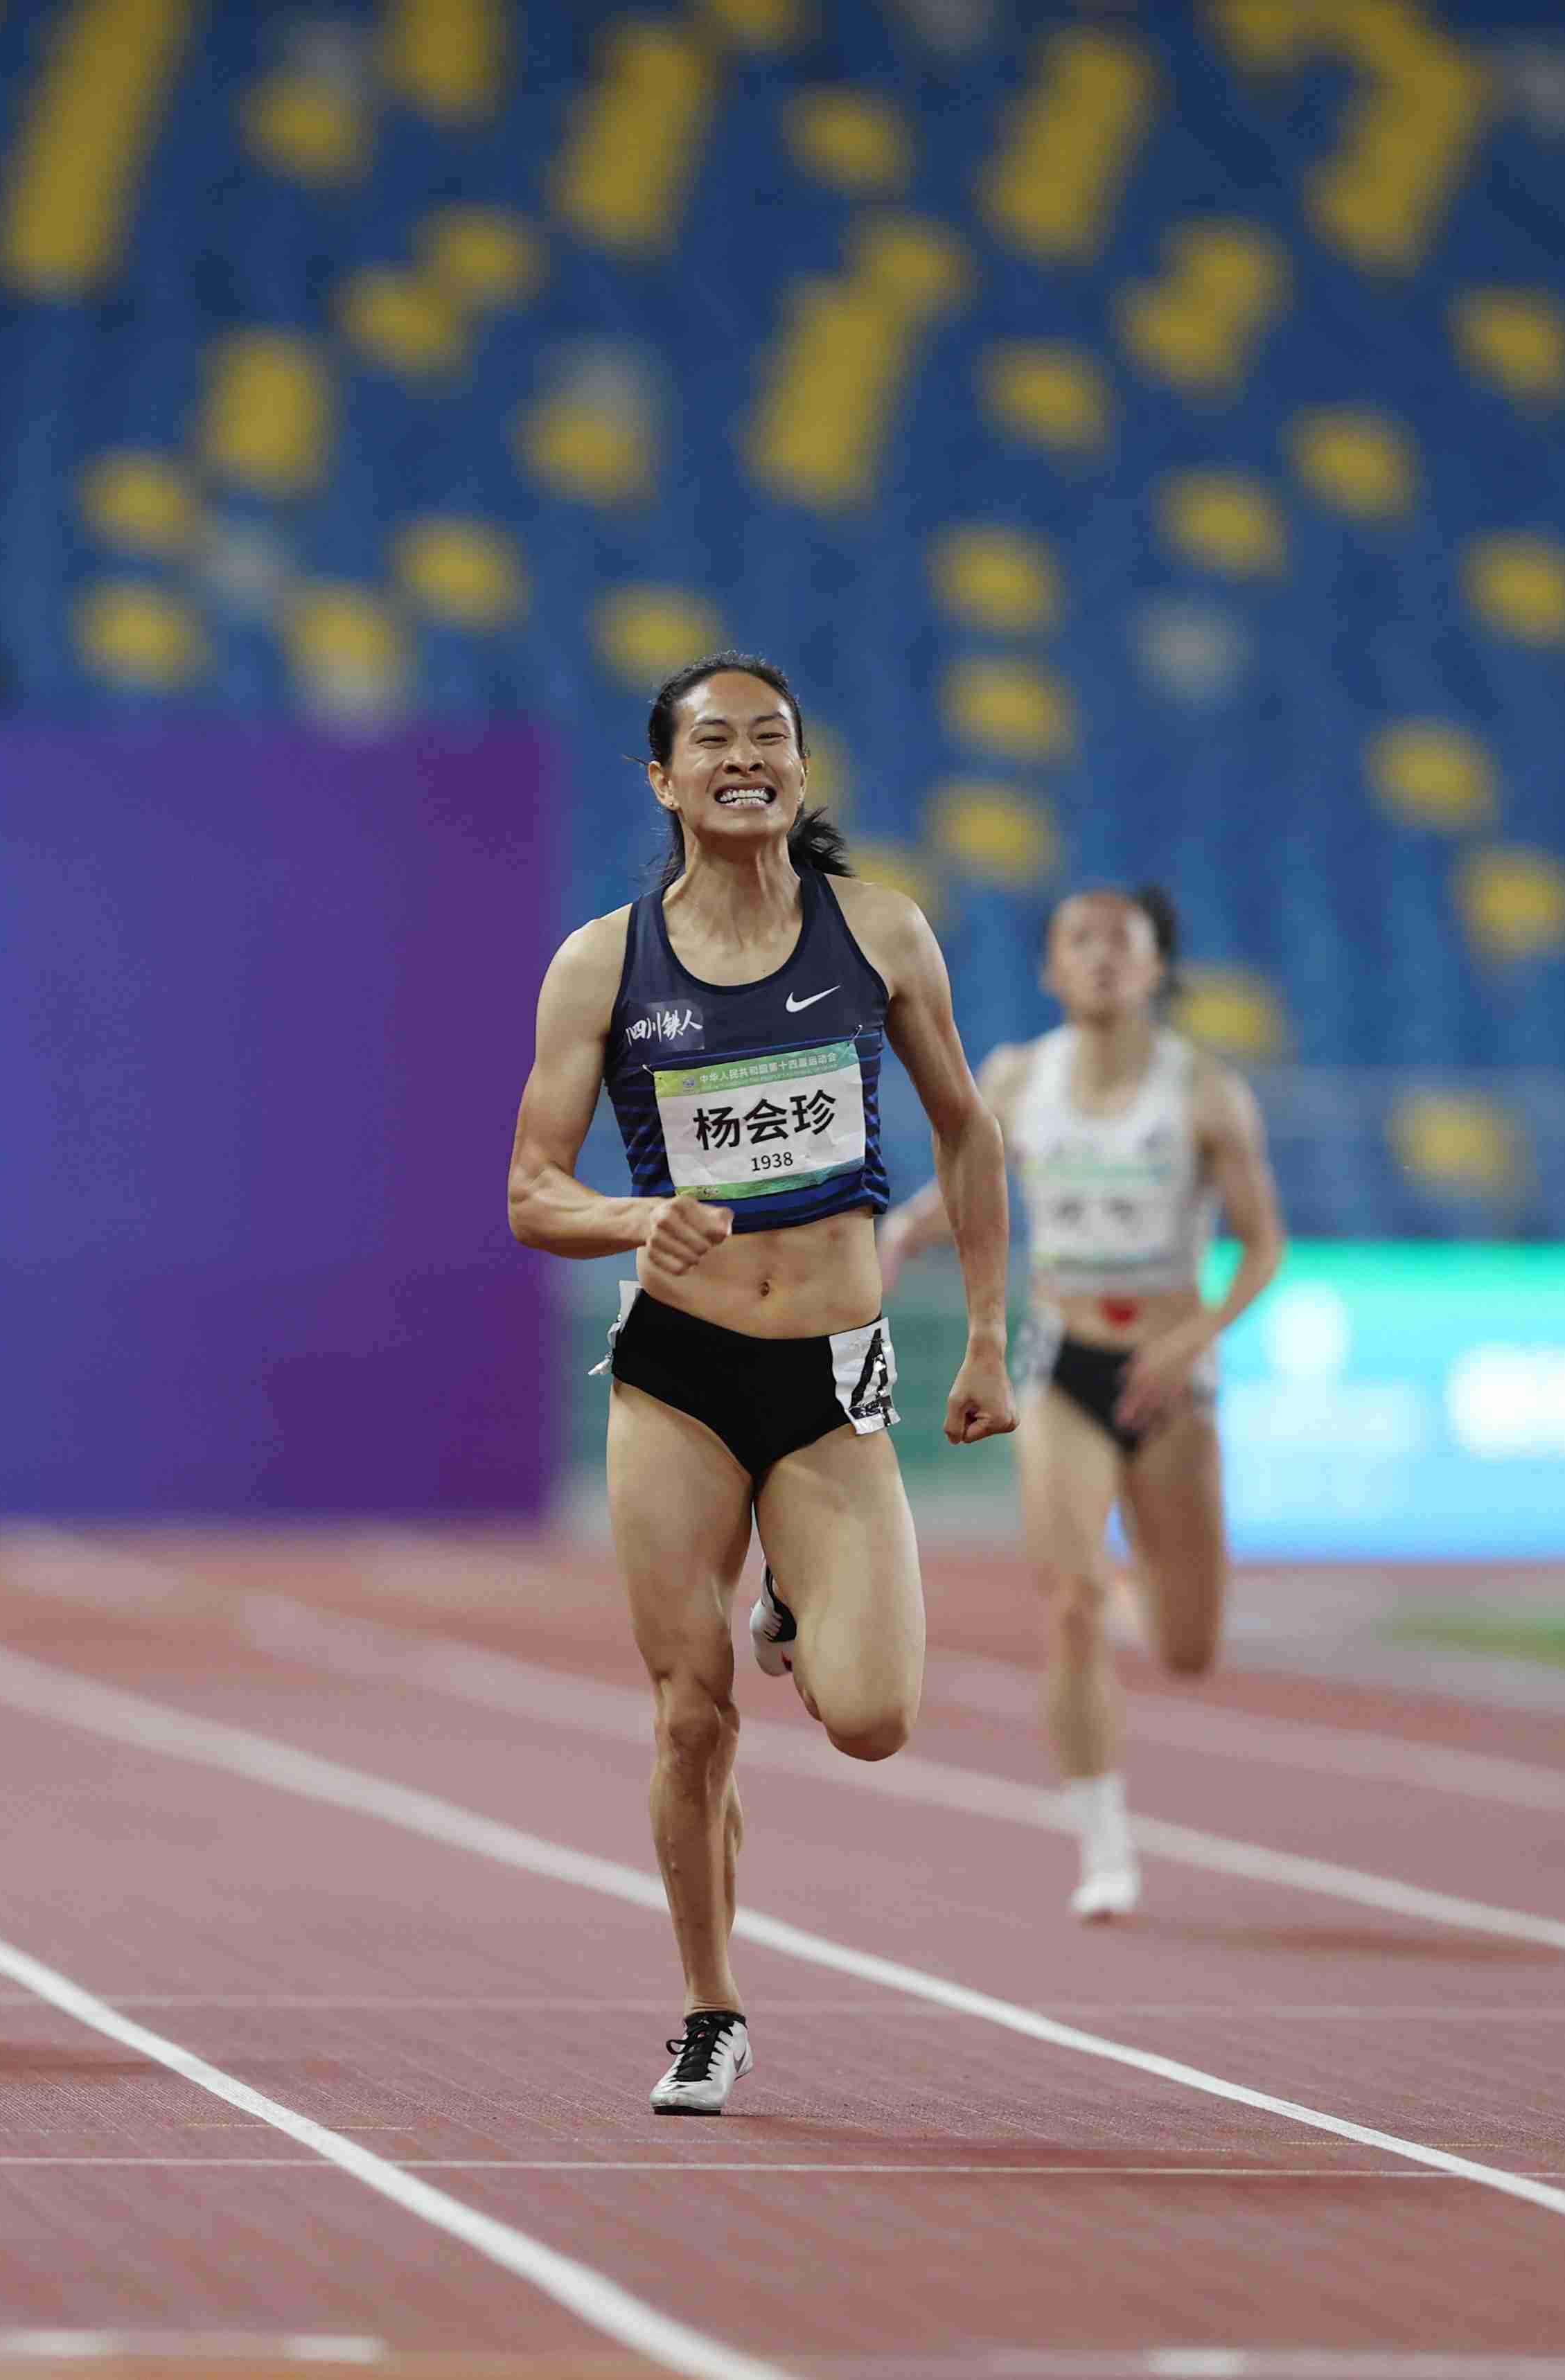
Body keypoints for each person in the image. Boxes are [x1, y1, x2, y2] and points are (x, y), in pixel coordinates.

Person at [506, 652, 1014, 2115]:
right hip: (676, 1374)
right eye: (712, 739)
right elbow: (532, 1189)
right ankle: (710, 2001)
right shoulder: (602, 963)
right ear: (662, 780)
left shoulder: (883, 931)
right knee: (688, 1711)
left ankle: (800, 1588)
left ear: (803, 770)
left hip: (835, 1376)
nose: (746, 756)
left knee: (870, 1716)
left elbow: (969, 1135)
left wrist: (986, 1335)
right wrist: (628, 1218)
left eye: (772, 737)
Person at [878, 887, 1286, 1920]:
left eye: (1124, 944)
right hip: (1062, 1362)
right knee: (1065, 1604)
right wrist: (901, 1234)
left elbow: (1264, 1246)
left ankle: (1138, 1583)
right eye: (1080, 943)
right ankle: (1103, 1845)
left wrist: (1193, 1335)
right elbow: (971, 1185)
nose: (1102, 958)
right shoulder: (1019, 1077)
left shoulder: (1205, 1093)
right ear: (1051, 969)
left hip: (1170, 1375)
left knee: (1188, 1647)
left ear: (1155, 970)